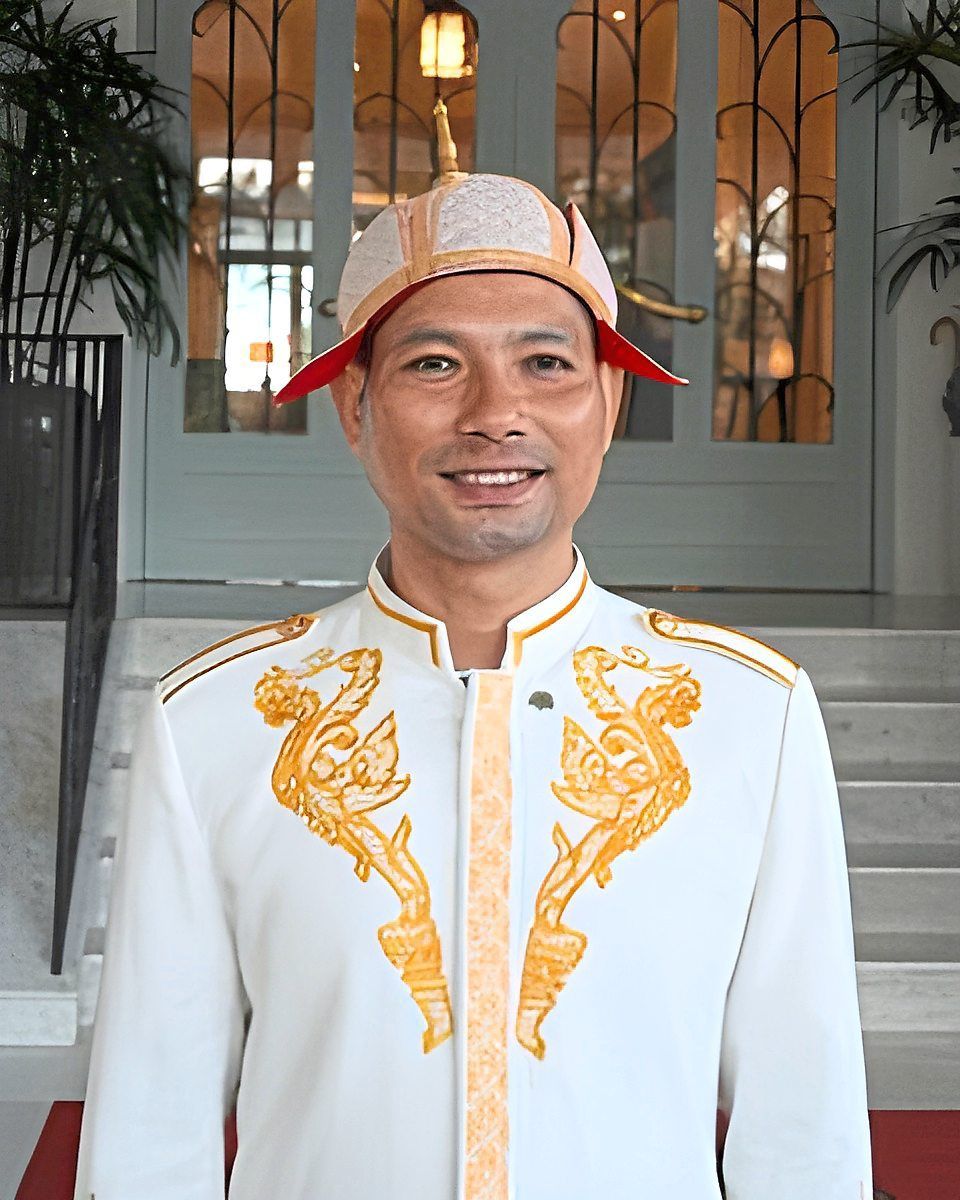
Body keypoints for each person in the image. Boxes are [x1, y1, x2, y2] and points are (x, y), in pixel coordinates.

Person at [74, 170, 873, 1200]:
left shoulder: (747, 716)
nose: (497, 414)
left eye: (546, 362)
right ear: (356, 403)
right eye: (437, 363)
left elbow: (801, 1119)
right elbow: (153, 1120)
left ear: (609, 398)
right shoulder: (220, 721)